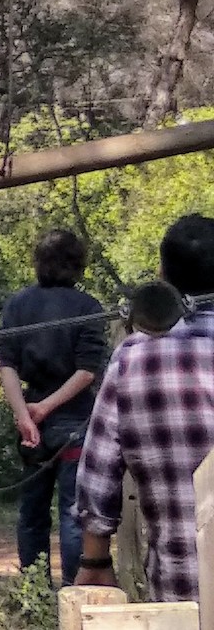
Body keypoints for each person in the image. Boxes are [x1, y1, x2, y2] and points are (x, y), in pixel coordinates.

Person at [75, 214, 214, 604]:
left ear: (162, 278)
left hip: (181, 598)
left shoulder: (133, 357)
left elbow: (98, 474)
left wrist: (94, 561)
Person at [0, 229, 109, 585]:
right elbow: (87, 372)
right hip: (74, 422)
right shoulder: (88, 307)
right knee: (73, 515)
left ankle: (35, 594)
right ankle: (73, 592)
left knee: (32, 512)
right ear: (77, 264)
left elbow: (6, 365)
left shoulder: (17, 304)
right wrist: (44, 408)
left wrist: (24, 415)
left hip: (32, 425)